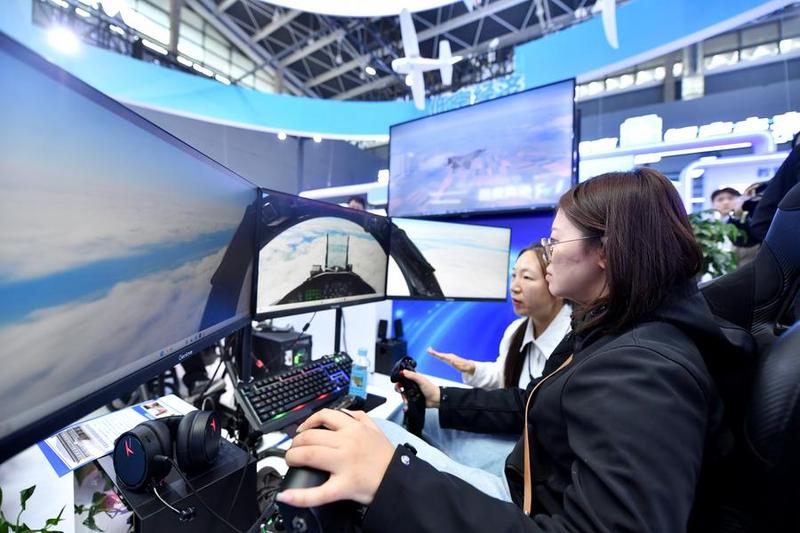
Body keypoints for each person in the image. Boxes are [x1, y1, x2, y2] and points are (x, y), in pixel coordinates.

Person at [277, 168, 740, 532]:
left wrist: (390, 481)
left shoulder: (642, 372)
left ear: (606, 251)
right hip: (531, 484)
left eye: (555, 241)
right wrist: (442, 398)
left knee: (362, 439)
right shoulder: (612, 330)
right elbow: (530, 401)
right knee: (370, 430)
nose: (546, 252)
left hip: (528, 506)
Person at [427, 244, 572, 391]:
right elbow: (504, 376)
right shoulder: (515, 330)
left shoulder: (576, 339)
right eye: (514, 275)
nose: (514, 287)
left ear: (558, 284)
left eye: (527, 277)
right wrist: (471, 368)